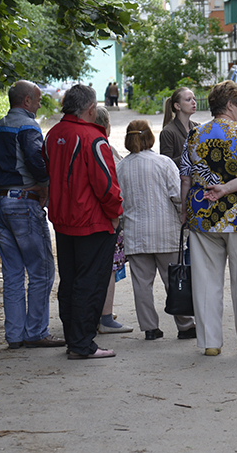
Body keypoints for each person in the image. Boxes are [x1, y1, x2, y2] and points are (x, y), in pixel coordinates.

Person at [0, 80, 64, 350]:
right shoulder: (28, 126)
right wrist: (44, 184)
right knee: (41, 270)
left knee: (11, 272)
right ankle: (36, 332)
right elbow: (36, 159)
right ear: (27, 101)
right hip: (23, 202)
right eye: (37, 99)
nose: (41, 103)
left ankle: (15, 336)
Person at [180, 80, 237, 356]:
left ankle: (210, 343)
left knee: (205, 281)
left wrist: (185, 208)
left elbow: (185, 175)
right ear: (230, 105)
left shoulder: (194, 134)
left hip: (202, 215)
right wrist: (227, 188)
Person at [43, 84, 123, 360]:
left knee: (71, 281)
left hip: (64, 220)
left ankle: (74, 339)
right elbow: (106, 185)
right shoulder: (93, 138)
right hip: (92, 222)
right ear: (91, 109)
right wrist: (115, 214)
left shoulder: (53, 134)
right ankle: (83, 344)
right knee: (90, 283)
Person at [117, 120, 197, 341]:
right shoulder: (163, 163)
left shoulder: (121, 167)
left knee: (142, 283)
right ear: (150, 137)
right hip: (165, 231)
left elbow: (119, 201)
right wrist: (185, 216)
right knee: (174, 280)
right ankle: (185, 325)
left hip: (136, 232)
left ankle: (150, 328)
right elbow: (176, 195)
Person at [93, 105, 134, 335]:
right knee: (108, 268)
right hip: (108, 218)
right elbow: (112, 186)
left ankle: (98, 311)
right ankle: (105, 316)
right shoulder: (103, 147)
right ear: (106, 125)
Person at [160, 86, 199, 171]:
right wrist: (190, 153)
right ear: (177, 106)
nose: (194, 102)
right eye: (188, 100)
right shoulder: (168, 132)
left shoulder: (198, 127)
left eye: (194, 99)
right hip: (179, 181)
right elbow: (166, 165)